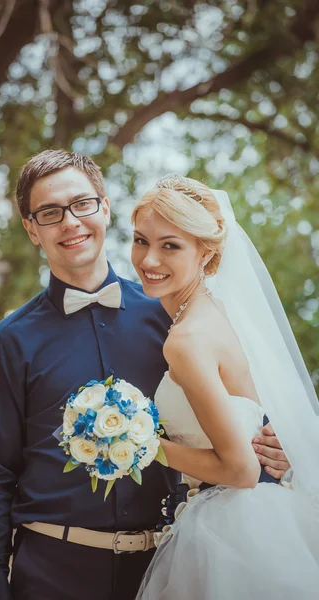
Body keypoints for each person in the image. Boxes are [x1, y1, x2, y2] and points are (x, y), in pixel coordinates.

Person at [0, 151, 289, 600]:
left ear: (105, 207)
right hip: (53, 572)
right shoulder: (9, 341)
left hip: (170, 566)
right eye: (49, 213)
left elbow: (236, 417)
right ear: (31, 228)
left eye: (82, 204)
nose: (70, 223)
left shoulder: (173, 320)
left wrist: (276, 445)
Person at [131, 174, 319, 600]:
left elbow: (241, 470)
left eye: (170, 245)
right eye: (141, 240)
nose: (148, 259)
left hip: (235, 526)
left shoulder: (186, 340)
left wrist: (137, 443)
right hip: (271, 514)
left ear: (207, 254)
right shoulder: (220, 310)